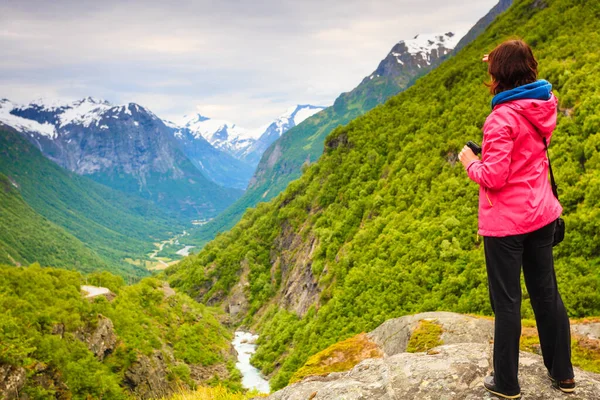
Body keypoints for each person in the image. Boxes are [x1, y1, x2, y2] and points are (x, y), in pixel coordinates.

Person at [458, 39, 575, 399]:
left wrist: (468, 162)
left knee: (507, 302)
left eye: (493, 71)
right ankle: (564, 374)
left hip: (506, 225)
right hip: (541, 213)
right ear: (529, 69)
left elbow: (493, 177)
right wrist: (500, 60)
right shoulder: (544, 103)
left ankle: (507, 384)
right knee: (546, 293)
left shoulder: (500, 119)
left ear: (499, 77)